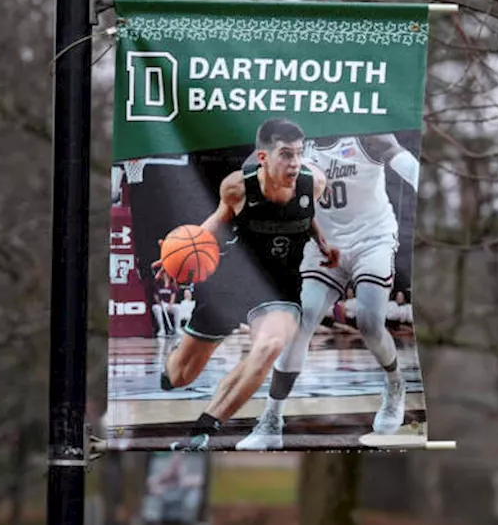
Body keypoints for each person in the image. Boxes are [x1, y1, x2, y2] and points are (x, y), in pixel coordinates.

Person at [157, 117, 334, 450]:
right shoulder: (237, 188)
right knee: (180, 376)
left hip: (279, 288)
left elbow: (306, 216)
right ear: (263, 157)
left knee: (268, 347)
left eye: (299, 153)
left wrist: (322, 241)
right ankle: (172, 367)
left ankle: (204, 429)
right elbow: (214, 223)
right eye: (285, 154)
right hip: (233, 283)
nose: (295, 162)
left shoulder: (315, 183)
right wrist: (174, 258)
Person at [237, 132, 420, 450]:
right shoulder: (295, 141)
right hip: (324, 244)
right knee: (301, 321)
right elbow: (252, 164)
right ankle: (271, 422)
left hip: (371, 239)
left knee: (369, 323)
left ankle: (394, 383)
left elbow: (396, 152)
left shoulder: (365, 134)